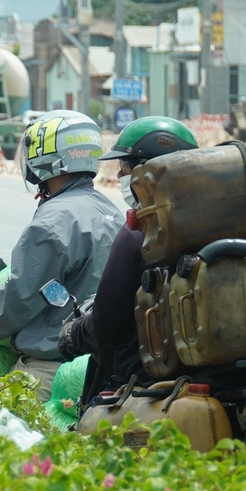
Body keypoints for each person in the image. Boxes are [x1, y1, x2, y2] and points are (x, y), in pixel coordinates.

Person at [0, 109, 122, 401]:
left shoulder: (53, 222)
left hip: (51, 364)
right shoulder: (109, 211)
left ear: (46, 156)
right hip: (98, 358)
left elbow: (18, 299)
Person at [58, 116, 198, 399]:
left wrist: (73, 333)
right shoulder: (225, 225)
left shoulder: (139, 233)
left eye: (124, 166)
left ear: (147, 172)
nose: (120, 176)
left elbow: (104, 326)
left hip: (143, 384)